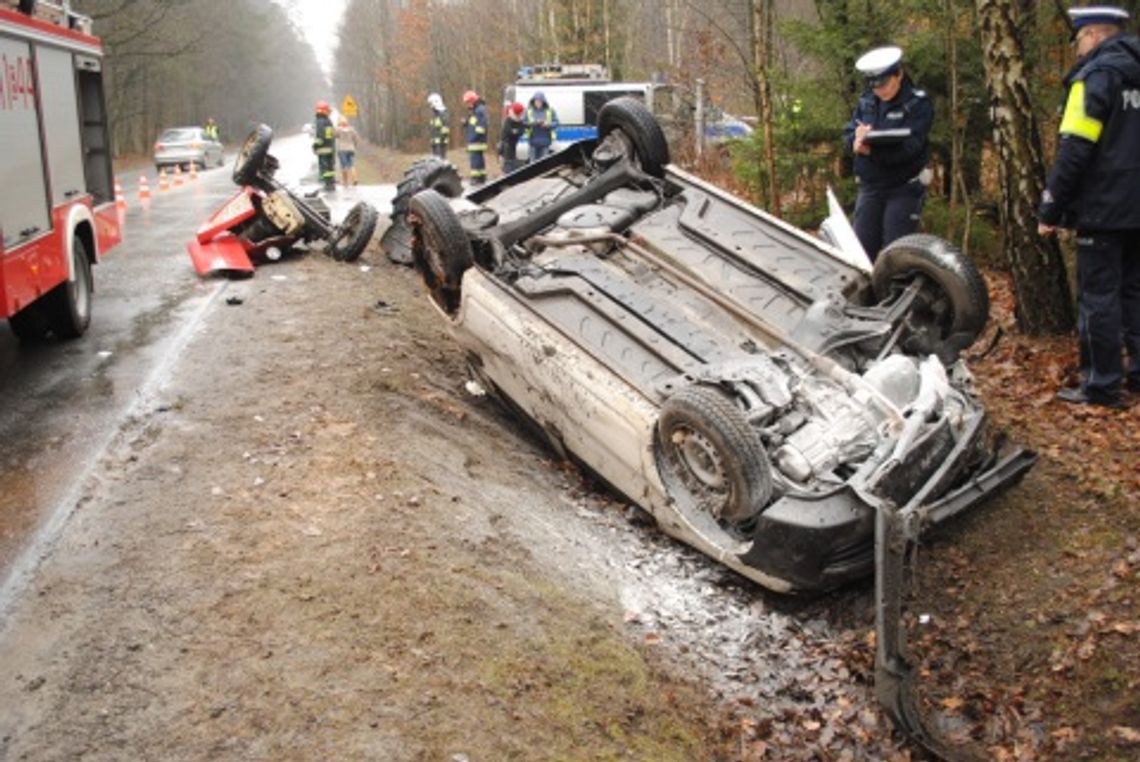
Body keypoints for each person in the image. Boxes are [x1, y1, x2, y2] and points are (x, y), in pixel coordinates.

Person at [1038, 6, 1140, 409]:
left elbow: (1075, 149)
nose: (1077, 48)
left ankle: (1101, 386)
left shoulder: (1095, 78)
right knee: (1134, 292)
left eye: (1079, 39)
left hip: (1102, 207)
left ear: (1095, 34)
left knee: (1098, 297)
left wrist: (1051, 206)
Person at [843, 46, 933, 261]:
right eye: (874, 86)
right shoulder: (866, 101)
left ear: (898, 74)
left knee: (897, 254)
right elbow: (848, 133)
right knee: (861, 254)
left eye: (884, 84)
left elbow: (911, 148)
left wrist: (871, 151)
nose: (880, 91)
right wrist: (854, 141)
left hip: (903, 188)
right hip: (871, 187)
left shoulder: (917, 103)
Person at [463, 89, 489, 186]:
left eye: (468, 102)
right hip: (476, 139)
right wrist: (466, 123)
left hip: (477, 140)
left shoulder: (479, 110)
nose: (467, 105)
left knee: (475, 160)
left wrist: (474, 137)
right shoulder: (476, 110)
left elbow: (481, 126)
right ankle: (481, 177)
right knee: (479, 159)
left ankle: (476, 178)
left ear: (472, 101)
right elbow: (473, 123)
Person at [525, 91, 558, 163]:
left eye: (540, 101)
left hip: (545, 142)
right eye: (536, 101)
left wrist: (547, 124)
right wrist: (534, 123)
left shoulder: (550, 110)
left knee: (543, 164)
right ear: (533, 101)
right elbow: (524, 123)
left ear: (543, 101)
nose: (538, 103)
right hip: (533, 142)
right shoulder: (528, 111)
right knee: (532, 165)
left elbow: (556, 123)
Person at [312, 100, 336, 190]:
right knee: (330, 167)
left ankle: (328, 184)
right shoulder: (328, 121)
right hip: (329, 147)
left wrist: (315, 145)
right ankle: (331, 183)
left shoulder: (320, 121)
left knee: (325, 167)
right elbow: (331, 135)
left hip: (323, 148)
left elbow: (320, 136)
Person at [497, 101, 526, 174]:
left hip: (514, 145)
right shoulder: (508, 120)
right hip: (506, 145)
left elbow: (521, 131)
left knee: (512, 163)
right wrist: (515, 132)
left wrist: (515, 132)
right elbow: (508, 131)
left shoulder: (520, 121)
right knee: (507, 163)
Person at [336, 117, 359, 187]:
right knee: (351, 165)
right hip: (351, 149)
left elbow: (335, 136)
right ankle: (355, 179)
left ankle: (345, 182)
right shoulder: (352, 129)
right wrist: (354, 145)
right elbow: (356, 138)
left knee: (344, 166)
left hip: (342, 149)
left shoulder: (338, 129)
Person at [428, 92, 450, 159]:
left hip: (441, 144)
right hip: (435, 143)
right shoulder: (435, 115)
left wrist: (442, 139)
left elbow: (445, 129)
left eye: (431, 103)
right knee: (435, 162)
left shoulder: (443, 114)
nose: (430, 106)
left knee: (440, 161)